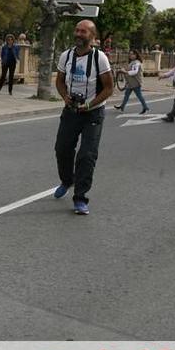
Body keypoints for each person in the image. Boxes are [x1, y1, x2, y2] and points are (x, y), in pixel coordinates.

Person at [53, 20, 114, 215]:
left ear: (92, 37)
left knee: (87, 155)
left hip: (93, 112)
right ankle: (67, 180)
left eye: (83, 31)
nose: (78, 34)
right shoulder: (66, 56)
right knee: (62, 149)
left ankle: (80, 198)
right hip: (71, 110)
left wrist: (90, 104)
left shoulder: (100, 58)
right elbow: (60, 81)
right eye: (77, 30)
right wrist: (65, 98)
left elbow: (109, 88)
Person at [113, 49, 150, 114]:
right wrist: (123, 70)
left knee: (139, 96)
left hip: (135, 82)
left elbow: (134, 72)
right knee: (126, 95)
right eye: (130, 54)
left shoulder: (137, 63)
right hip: (130, 83)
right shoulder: (132, 62)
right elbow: (129, 69)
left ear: (136, 55)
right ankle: (122, 106)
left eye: (132, 54)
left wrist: (125, 71)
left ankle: (145, 107)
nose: (130, 55)